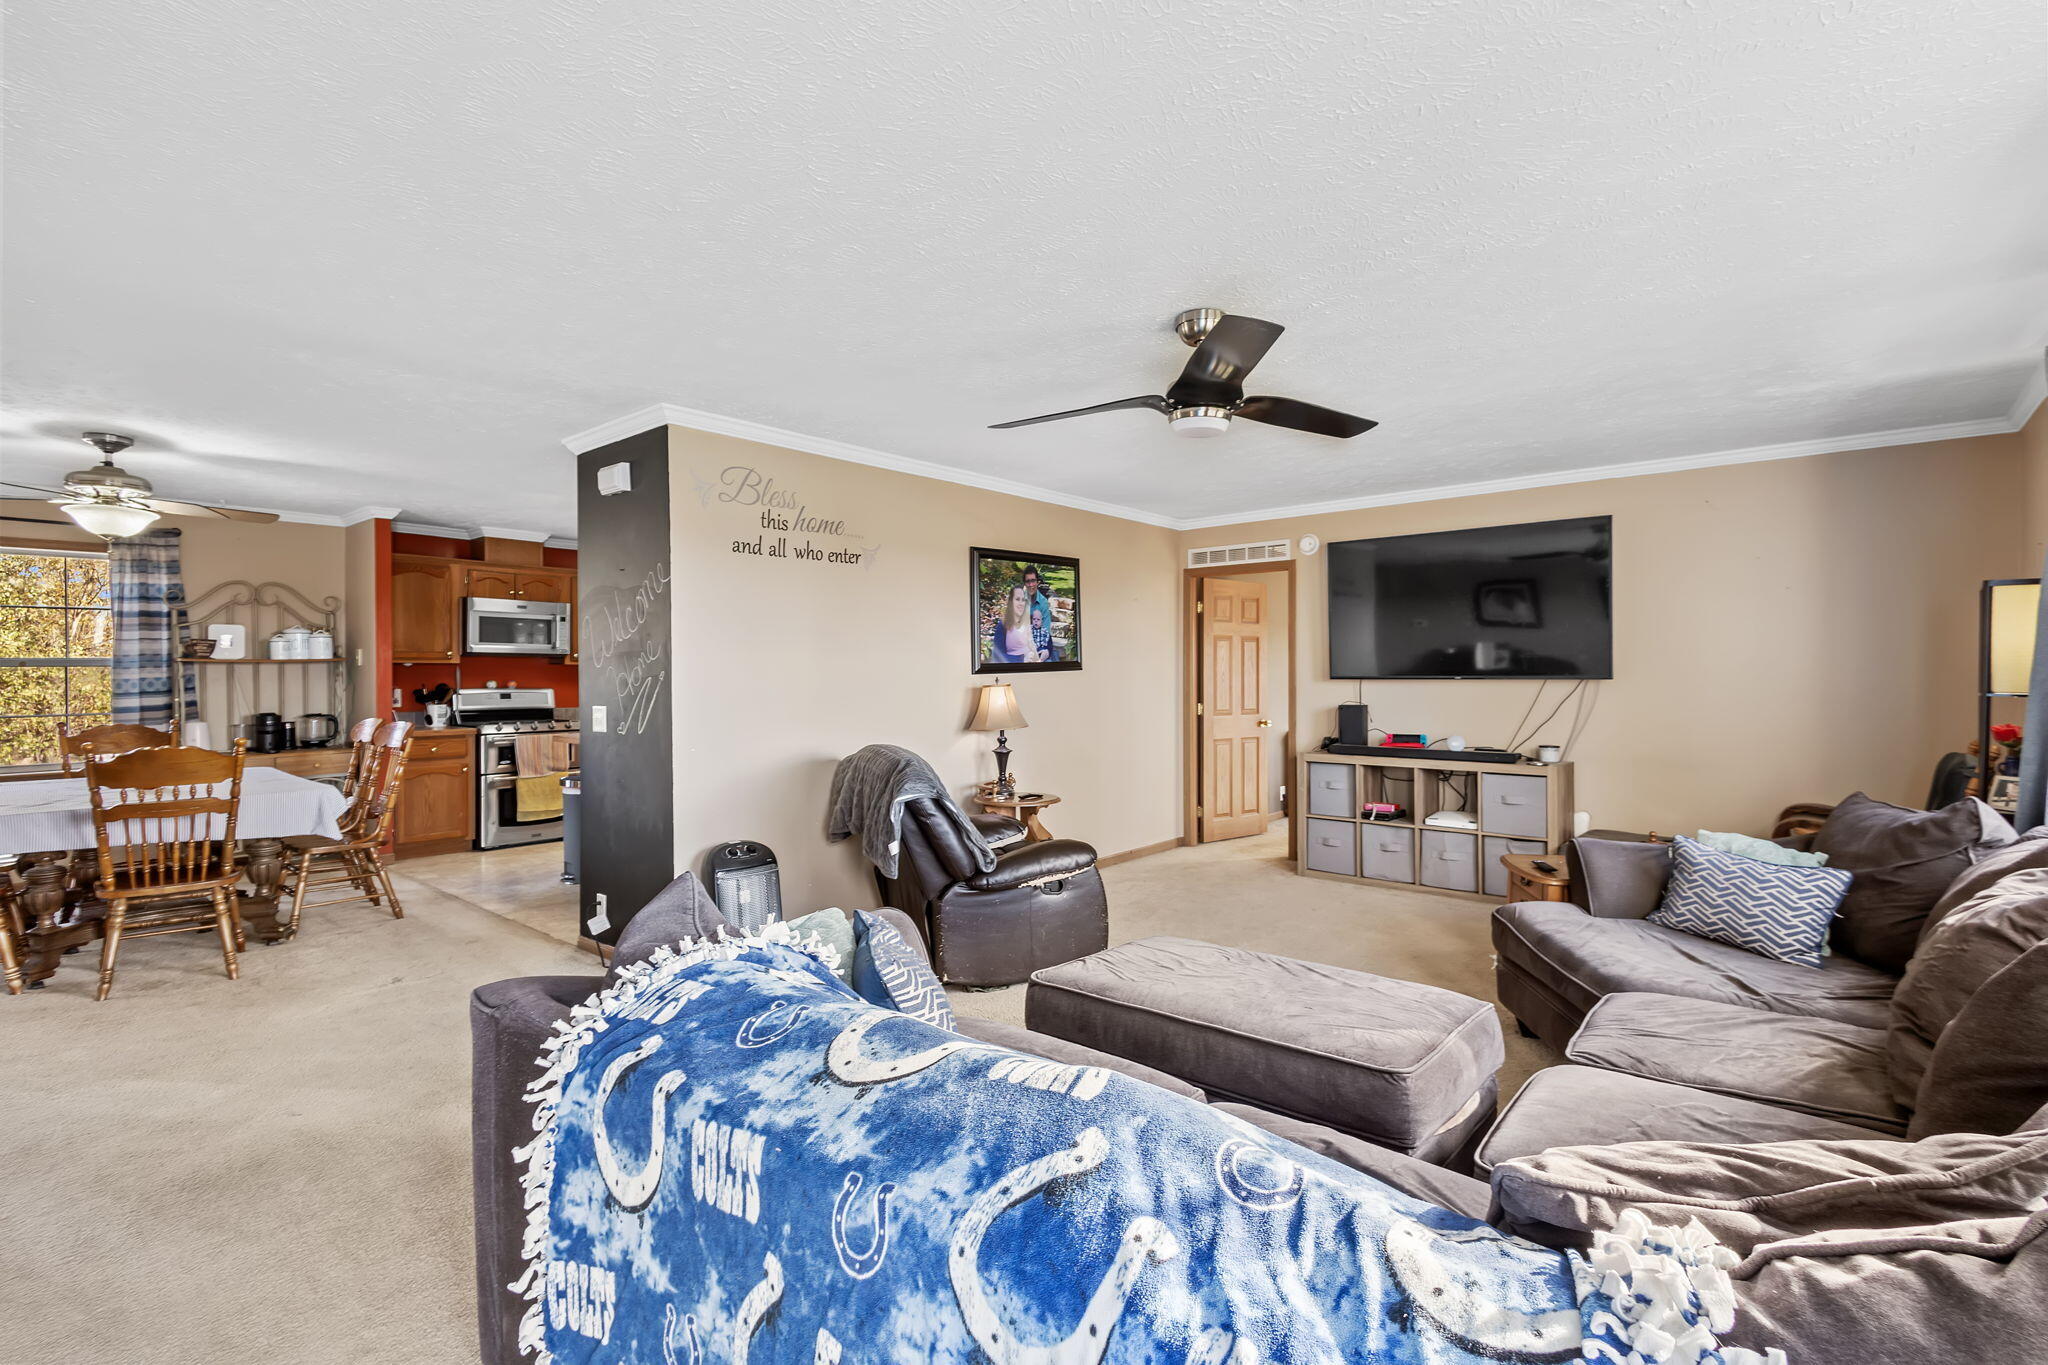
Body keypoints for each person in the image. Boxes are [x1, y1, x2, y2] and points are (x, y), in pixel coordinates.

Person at [988, 584, 1041, 663]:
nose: (1021, 603)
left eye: (1023, 600)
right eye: (1017, 599)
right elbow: (997, 657)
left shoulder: (1028, 622)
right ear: (1011, 602)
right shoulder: (1003, 625)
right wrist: (1022, 659)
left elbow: (1033, 645)